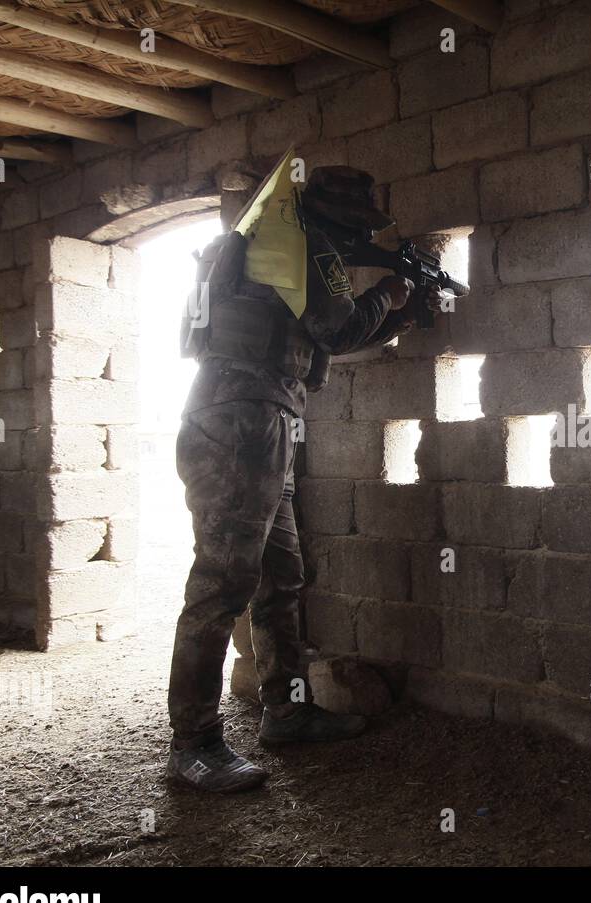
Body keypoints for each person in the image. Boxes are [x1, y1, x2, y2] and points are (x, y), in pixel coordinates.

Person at [166, 166, 437, 793]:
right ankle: (195, 744)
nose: (353, 242)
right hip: (243, 421)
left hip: (258, 421)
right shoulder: (305, 247)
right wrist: (392, 295)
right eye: (354, 229)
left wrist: (395, 315)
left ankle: (284, 712)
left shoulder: (280, 250)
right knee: (223, 580)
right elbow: (337, 328)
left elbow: (323, 339)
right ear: (337, 219)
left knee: (280, 574)